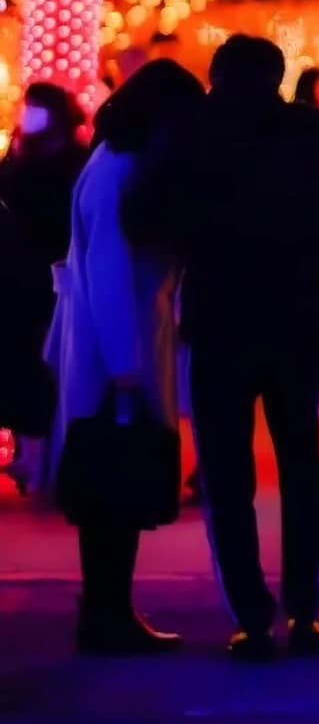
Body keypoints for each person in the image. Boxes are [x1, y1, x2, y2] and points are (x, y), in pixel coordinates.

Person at [179, 35, 319, 660]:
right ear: (279, 76)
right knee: (301, 467)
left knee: (226, 474)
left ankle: (250, 617)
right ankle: (305, 611)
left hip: (216, 320)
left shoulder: (194, 133)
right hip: (295, 317)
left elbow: (149, 215)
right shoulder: (312, 133)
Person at [44, 61, 205, 654]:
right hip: (120, 350)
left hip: (113, 343)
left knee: (109, 489)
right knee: (117, 484)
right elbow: (111, 271)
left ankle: (108, 608)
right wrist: (126, 367)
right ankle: (108, 611)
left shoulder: (110, 159)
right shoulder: (123, 171)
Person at [0, 83, 87, 488]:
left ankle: (40, 457)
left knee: (42, 368)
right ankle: (25, 452)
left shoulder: (70, 161)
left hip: (50, 280)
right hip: (14, 278)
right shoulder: (18, 154)